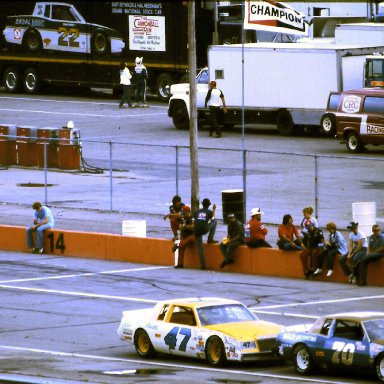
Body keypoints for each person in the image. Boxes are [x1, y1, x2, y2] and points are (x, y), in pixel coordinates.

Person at [193, 198, 218, 269]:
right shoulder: (209, 212)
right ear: (209, 205)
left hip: (196, 230)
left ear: (202, 204)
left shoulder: (197, 211)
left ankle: (202, 265)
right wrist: (214, 210)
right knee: (215, 222)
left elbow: (194, 221)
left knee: (200, 249)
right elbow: (213, 218)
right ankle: (210, 239)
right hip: (204, 229)